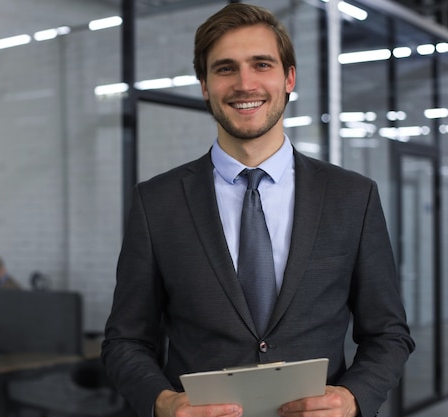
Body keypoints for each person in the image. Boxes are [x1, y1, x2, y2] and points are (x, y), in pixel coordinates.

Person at [101, 4, 414, 417]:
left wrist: (352, 397)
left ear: (289, 78)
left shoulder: (352, 196)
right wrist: (163, 403)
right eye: (225, 68)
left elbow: (389, 333)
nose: (245, 84)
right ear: (204, 86)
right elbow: (125, 341)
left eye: (261, 64)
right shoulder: (156, 202)